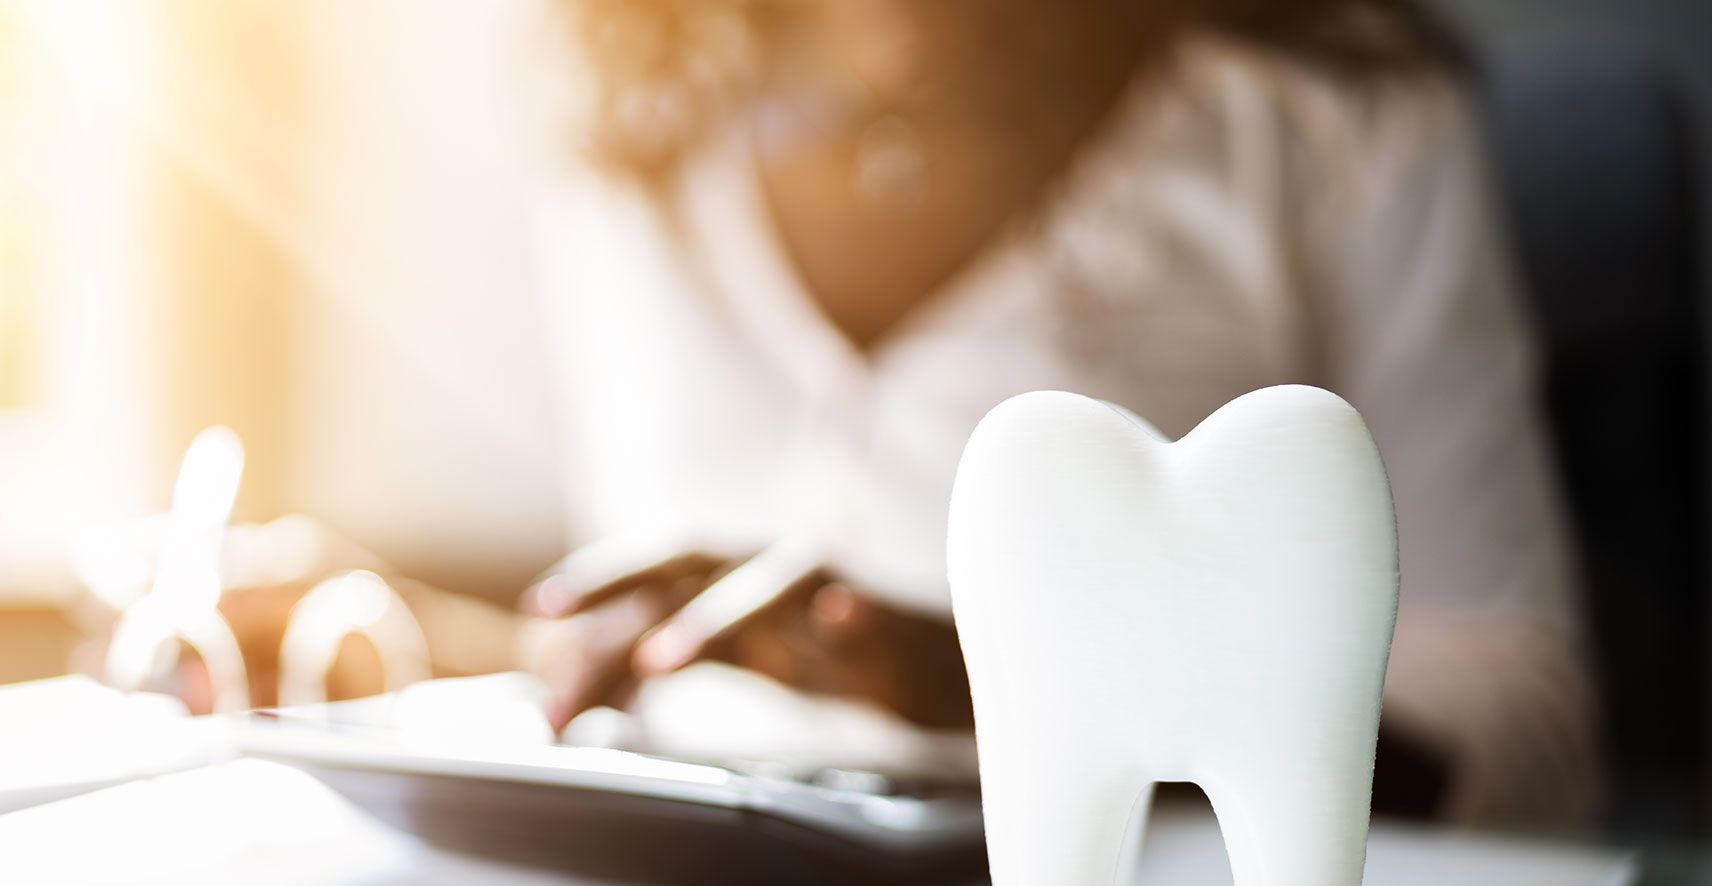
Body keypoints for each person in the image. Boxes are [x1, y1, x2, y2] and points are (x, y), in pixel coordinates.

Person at [515, 0, 1600, 827]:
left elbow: (1525, 733)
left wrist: (1021, 688)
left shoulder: (1329, 118)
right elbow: (635, 625)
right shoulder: (625, 133)